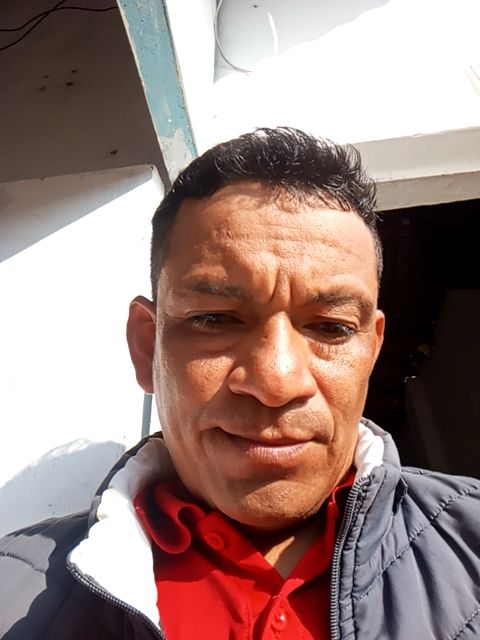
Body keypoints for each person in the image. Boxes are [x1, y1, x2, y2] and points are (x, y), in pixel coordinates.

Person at [0, 128, 479, 640]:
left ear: (371, 352)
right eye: (215, 320)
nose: (277, 381)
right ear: (146, 347)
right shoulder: (14, 594)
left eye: (331, 327)